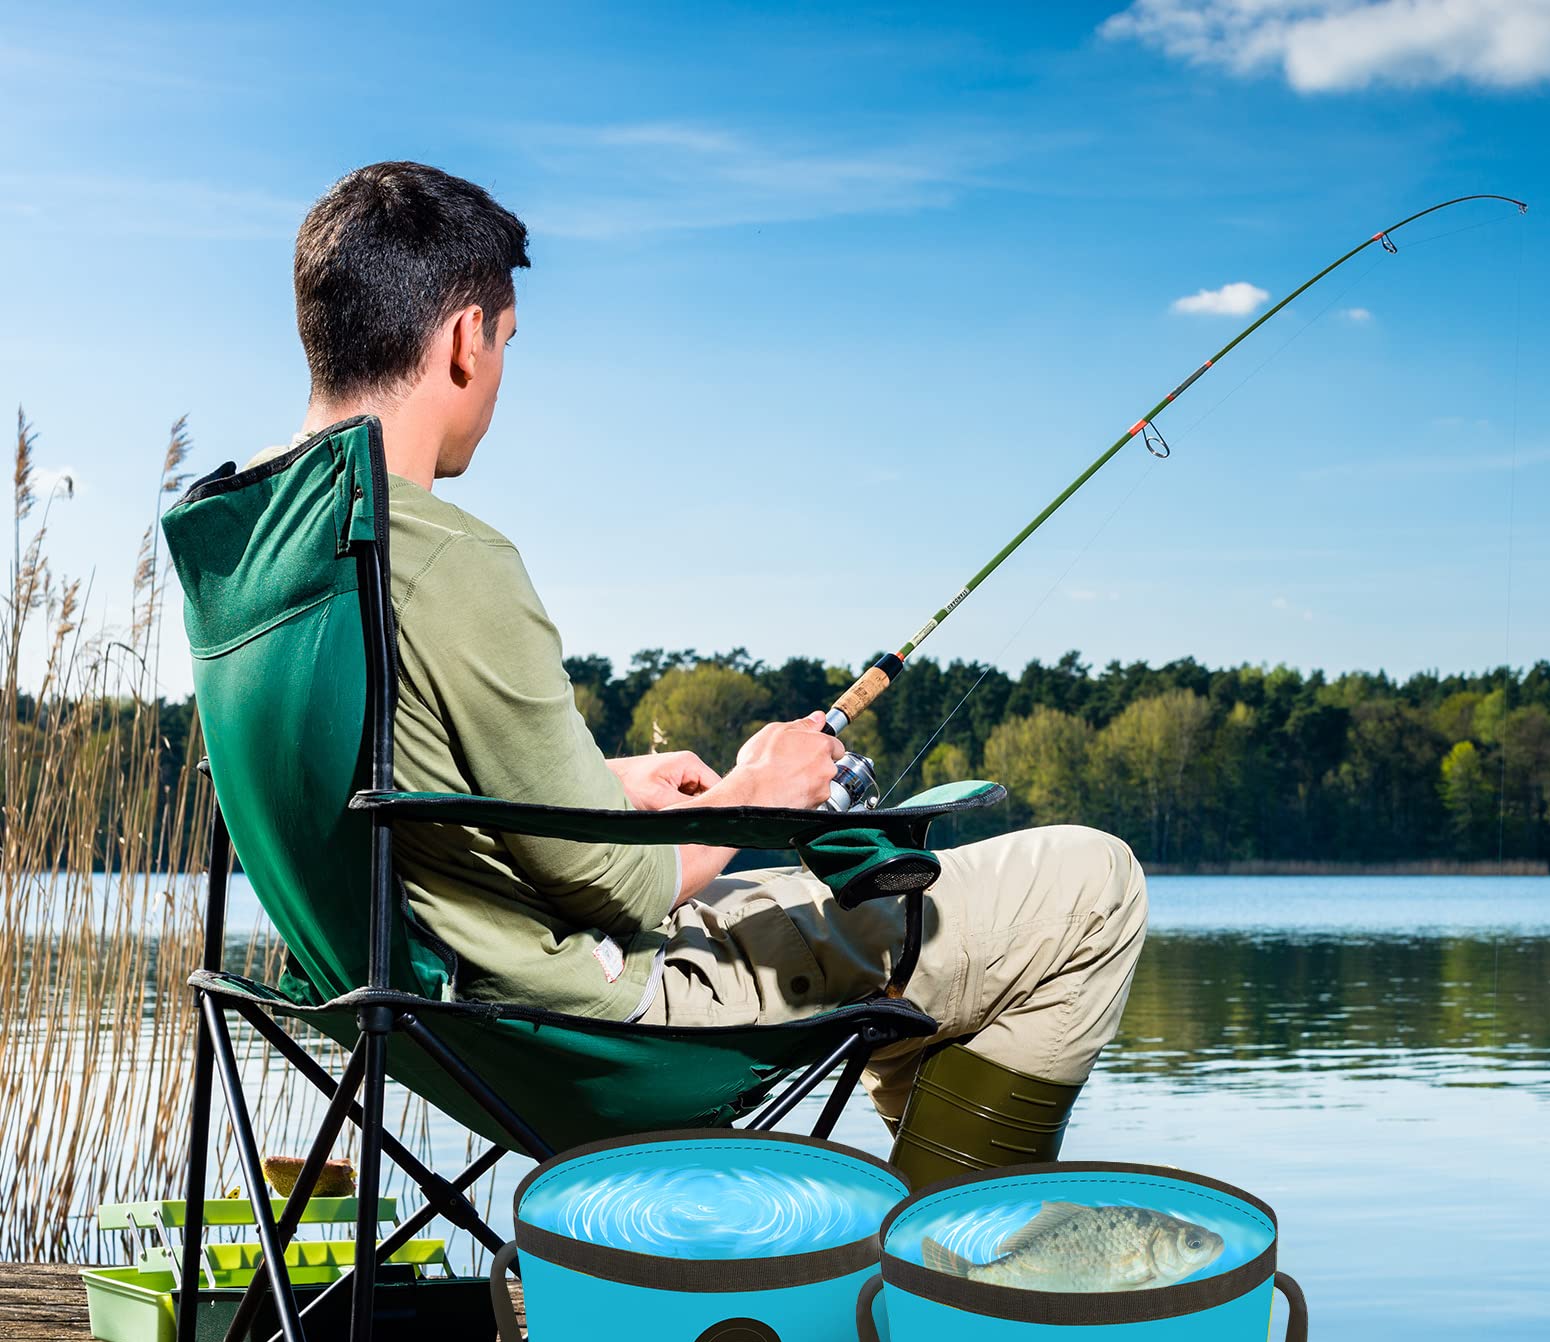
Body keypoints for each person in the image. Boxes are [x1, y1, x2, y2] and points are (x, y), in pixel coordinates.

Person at [272, 161, 1148, 1186]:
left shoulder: (256, 538)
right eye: (508, 344)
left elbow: (388, 785)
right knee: (1091, 889)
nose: (503, 374)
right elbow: (615, 879)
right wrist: (754, 793)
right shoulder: (449, 558)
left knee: (919, 934)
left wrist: (600, 784)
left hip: (416, 1019)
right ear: (465, 340)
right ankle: (939, 1285)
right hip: (594, 1022)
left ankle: (863, 1256)